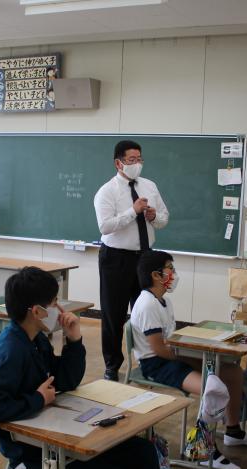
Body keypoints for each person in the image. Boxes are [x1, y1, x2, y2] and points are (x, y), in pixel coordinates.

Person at [0, 267, 161, 469]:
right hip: (32, 456)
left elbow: (65, 381)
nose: (59, 309)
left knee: (143, 452)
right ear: (36, 311)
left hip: (56, 441)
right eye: (53, 303)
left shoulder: (35, 339)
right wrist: (37, 399)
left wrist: (74, 341)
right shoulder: (11, 351)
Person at [130, 250, 247, 469]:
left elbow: (171, 341)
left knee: (233, 373)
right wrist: (192, 355)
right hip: (157, 365)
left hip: (172, 356)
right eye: (170, 268)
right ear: (156, 275)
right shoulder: (146, 305)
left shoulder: (164, 301)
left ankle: (233, 431)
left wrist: (194, 352)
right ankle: (202, 451)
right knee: (214, 388)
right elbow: (159, 349)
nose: (174, 273)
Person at [94, 140, 169, 381]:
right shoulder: (107, 191)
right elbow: (105, 226)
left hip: (145, 258)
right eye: (132, 160)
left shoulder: (150, 185)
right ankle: (112, 366)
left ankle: (148, 364)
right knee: (113, 315)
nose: (137, 164)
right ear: (119, 163)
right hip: (116, 258)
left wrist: (154, 216)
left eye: (139, 159)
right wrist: (132, 212)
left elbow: (164, 218)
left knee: (145, 312)